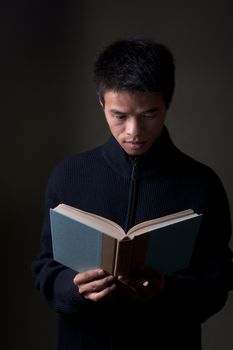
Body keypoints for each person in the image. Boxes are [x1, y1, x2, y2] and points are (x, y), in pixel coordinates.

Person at [32, 38, 233, 350]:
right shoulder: (68, 175)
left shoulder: (202, 183)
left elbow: (218, 281)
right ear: (102, 104)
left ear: (169, 101)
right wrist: (73, 289)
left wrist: (167, 292)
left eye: (149, 113)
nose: (134, 131)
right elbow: (45, 266)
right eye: (119, 115)